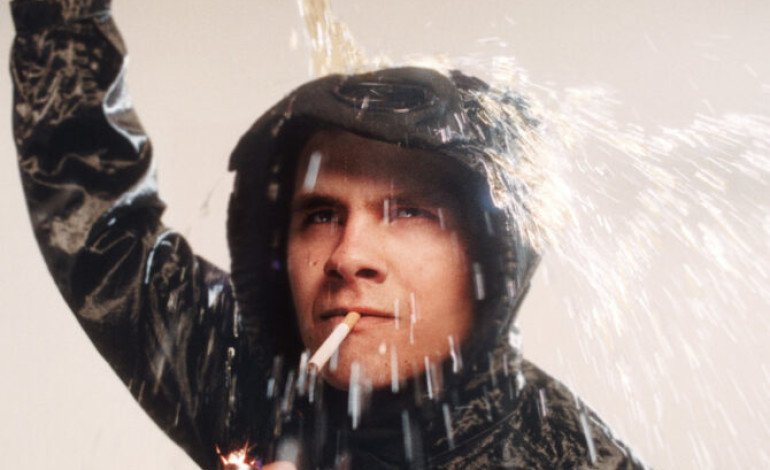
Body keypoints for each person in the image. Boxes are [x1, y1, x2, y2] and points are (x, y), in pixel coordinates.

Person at [11, 1, 648, 469]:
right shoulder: (250, 377)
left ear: (491, 259)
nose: (348, 255)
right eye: (320, 214)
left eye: (409, 212)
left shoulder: (566, 458)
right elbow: (97, 220)